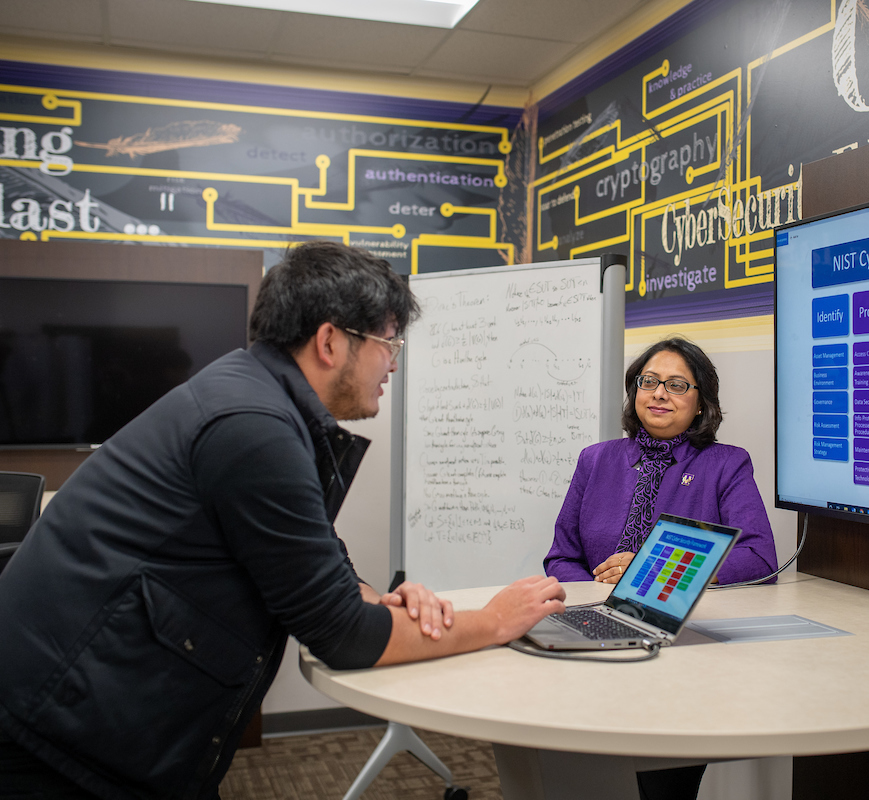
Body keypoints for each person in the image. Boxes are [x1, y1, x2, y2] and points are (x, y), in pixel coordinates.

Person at [0, 241, 566, 800]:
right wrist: (494, 621)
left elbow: (313, 555)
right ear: (329, 341)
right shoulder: (253, 425)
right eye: (388, 341)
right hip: (58, 738)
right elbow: (340, 635)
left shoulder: (257, 397)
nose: (393, 360)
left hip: (88, 716)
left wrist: (376, 600)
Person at [545, 337, 778, 586]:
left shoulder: (727, 465)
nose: (659, 394)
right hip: (596, 613)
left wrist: (657, 571)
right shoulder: (594, 459)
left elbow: (759, 559)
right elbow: (562, 559)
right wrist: (596, 600)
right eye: (649, 382)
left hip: (676, 615)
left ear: (701, 403)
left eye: (676, 386)